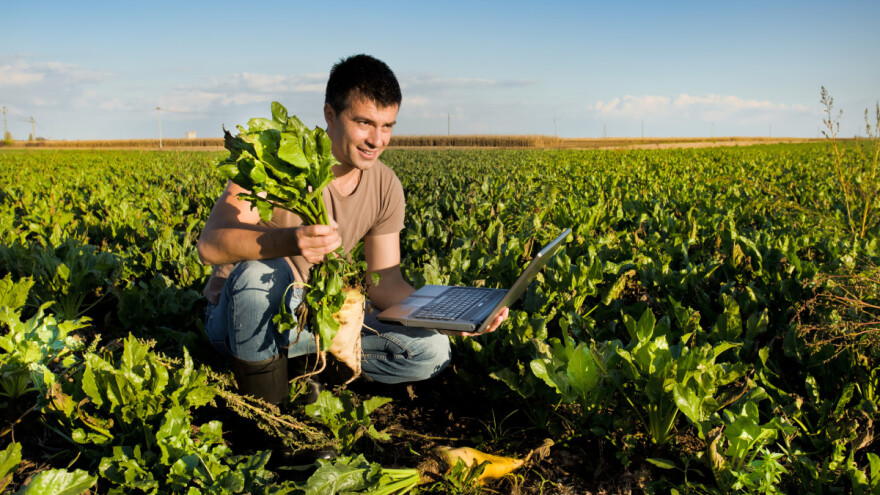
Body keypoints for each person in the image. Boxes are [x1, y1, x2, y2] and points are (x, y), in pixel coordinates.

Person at [197, 54, 509, 406]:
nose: (377, 140)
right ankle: (269, 415)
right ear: (330, 115)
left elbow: (385, 283)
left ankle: (301, 366)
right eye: (364, 122)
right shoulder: (276, 159)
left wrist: (454, 317)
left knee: (431, 351)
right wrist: (289, 241)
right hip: (243, 315)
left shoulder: (385, 184)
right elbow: (209, 246)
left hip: (317, 317)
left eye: (388, 125)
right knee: (260, 273)